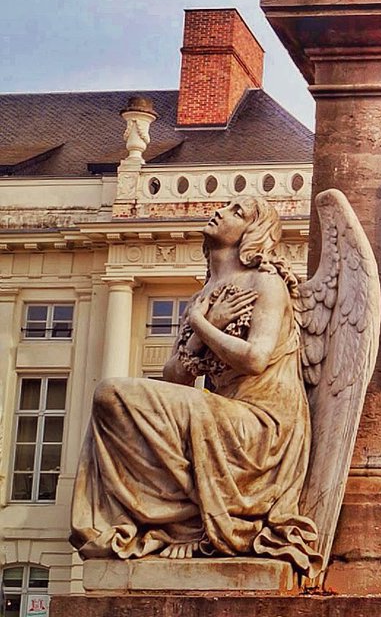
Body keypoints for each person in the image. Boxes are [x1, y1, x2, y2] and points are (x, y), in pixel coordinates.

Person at [71, 199, 319, 572]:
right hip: (221, 414)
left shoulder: (265, 284)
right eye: (225, 206)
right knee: (110, 398)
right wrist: (201, 329)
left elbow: (255, 359)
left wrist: (203, 325)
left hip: (263, 425)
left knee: (120, 394)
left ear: (252, 232)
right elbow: (175, 377)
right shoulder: (202, 297)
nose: (221, 211)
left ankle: (186, 525)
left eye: (237, 212)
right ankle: (176, 522)